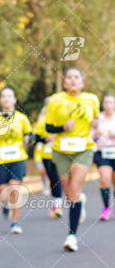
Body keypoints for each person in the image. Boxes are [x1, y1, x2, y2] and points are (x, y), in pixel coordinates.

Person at [45, 67, 100, 252]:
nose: (73, 80)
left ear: (83, 82)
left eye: (77, 77)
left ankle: (72, 236)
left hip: (83, 149)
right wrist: (62, 128)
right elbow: (48, 127)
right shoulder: (55, 100)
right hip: (61, 151)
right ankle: (79, 201)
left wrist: (96, 125)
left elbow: (95, 120)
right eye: (69, 77)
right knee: (69, 194)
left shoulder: (91, 99)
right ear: (64, 82)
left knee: (75, 189)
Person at [0, 87, 33, 234]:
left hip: (18, 158)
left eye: (9, 96)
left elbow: (31, 135)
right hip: (1, 160)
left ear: (14, 100)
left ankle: (15, 223)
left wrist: (28, 138)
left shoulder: (22, 118)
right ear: (1, 100)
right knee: (4, 194)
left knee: (15, 188)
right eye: (4, 96)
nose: (6, 99)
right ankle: (5, 205)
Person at [33, 98, 63, 218]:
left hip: (62, 153)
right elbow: (35, 137)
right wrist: (45, 139)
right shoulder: (42, 120)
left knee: (57, 178)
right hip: (46, 155)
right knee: (53, 179)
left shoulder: (63, 119)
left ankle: (59, 205)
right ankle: (55, 203)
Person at [90, 94, 115, 220]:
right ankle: (106, 209)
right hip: (102, 152)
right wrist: (95, 134)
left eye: (111, 102)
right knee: (105, 180)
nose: (108, 105)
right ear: (103, 104)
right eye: (106, 102)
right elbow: (89, 136)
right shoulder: (97, 119)